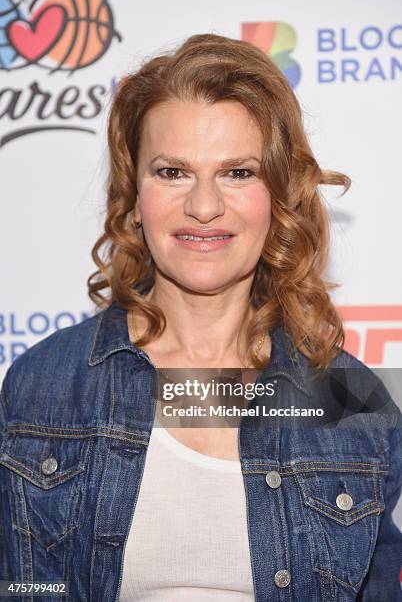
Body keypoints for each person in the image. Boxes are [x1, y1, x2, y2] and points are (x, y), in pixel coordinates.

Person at [1, 33, 401, 602]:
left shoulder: (350, 399)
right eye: (172, 172)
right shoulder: (46, 385)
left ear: (279, 195)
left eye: (239, 172)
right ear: (133, 195)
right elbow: (22, 588)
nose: (204, 206)